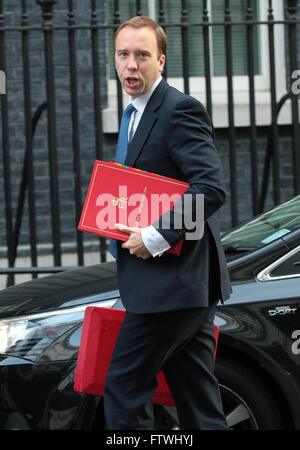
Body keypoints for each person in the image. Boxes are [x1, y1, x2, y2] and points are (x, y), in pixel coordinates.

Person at [103, 15, 231, 430]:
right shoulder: (133, 112)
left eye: (142, 55)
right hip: (180, 286)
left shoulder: (178, 109)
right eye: (123, 54)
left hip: (173, 283)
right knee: (197, 400)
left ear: (161, 60)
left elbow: (210, 188)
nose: (130, 65)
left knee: (123, 392)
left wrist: (156, 235)